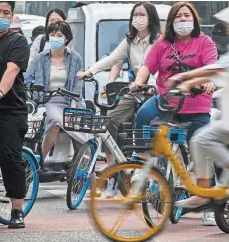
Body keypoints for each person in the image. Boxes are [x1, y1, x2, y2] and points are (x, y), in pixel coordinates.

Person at [166, 2, 229, 209]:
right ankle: (204, 189)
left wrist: (184, 76)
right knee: (201, 139)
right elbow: (221, 73)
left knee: (203, 139)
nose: (228, 25)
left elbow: (217, 68)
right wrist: (188, 83)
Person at [130, 1, 218, 226]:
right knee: (142, 115)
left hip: (196, 107)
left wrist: (208, 83)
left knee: (202, 150)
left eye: (186, 16)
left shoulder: (205, 42)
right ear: (170, 22)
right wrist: (138, 83)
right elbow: (147, 67)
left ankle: (208, 202)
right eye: (178, 17)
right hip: (166, 103)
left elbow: (211, 69)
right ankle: (140, 166)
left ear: (194, 19)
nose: (182, 20)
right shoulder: (162, 43)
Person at [77, 2, 162, 198]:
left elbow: (163, 68)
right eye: (135, 14)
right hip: (134, 91)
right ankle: (121, 166)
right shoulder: (129, 42)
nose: (138, 18)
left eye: (142, 15)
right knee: (110, 121)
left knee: (149, 129)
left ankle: (149, 171)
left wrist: (154, 85)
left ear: (151, 19)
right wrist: (89, 71)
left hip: (155, 91)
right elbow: (111, 59)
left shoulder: (159, 41)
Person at [26, 21, 100, 195]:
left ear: (66, 39)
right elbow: (27, 78)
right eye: (53, 34)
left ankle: (90, 180)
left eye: (60, 35)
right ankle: (35, 165)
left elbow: (76, 86)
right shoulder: (40, 58)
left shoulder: (75, 58)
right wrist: (34, 94)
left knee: (81, 132)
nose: (55, 38)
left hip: (72, 101)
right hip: (49, 100)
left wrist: (73, 106)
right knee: (56, 121)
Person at [0, 1, 30, 228]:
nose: (1, 16)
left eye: (6, 13)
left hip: (9, 108)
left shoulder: (18, 41)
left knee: (10, 155)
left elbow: (12, 69)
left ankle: (17, 209)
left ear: (11, 16)